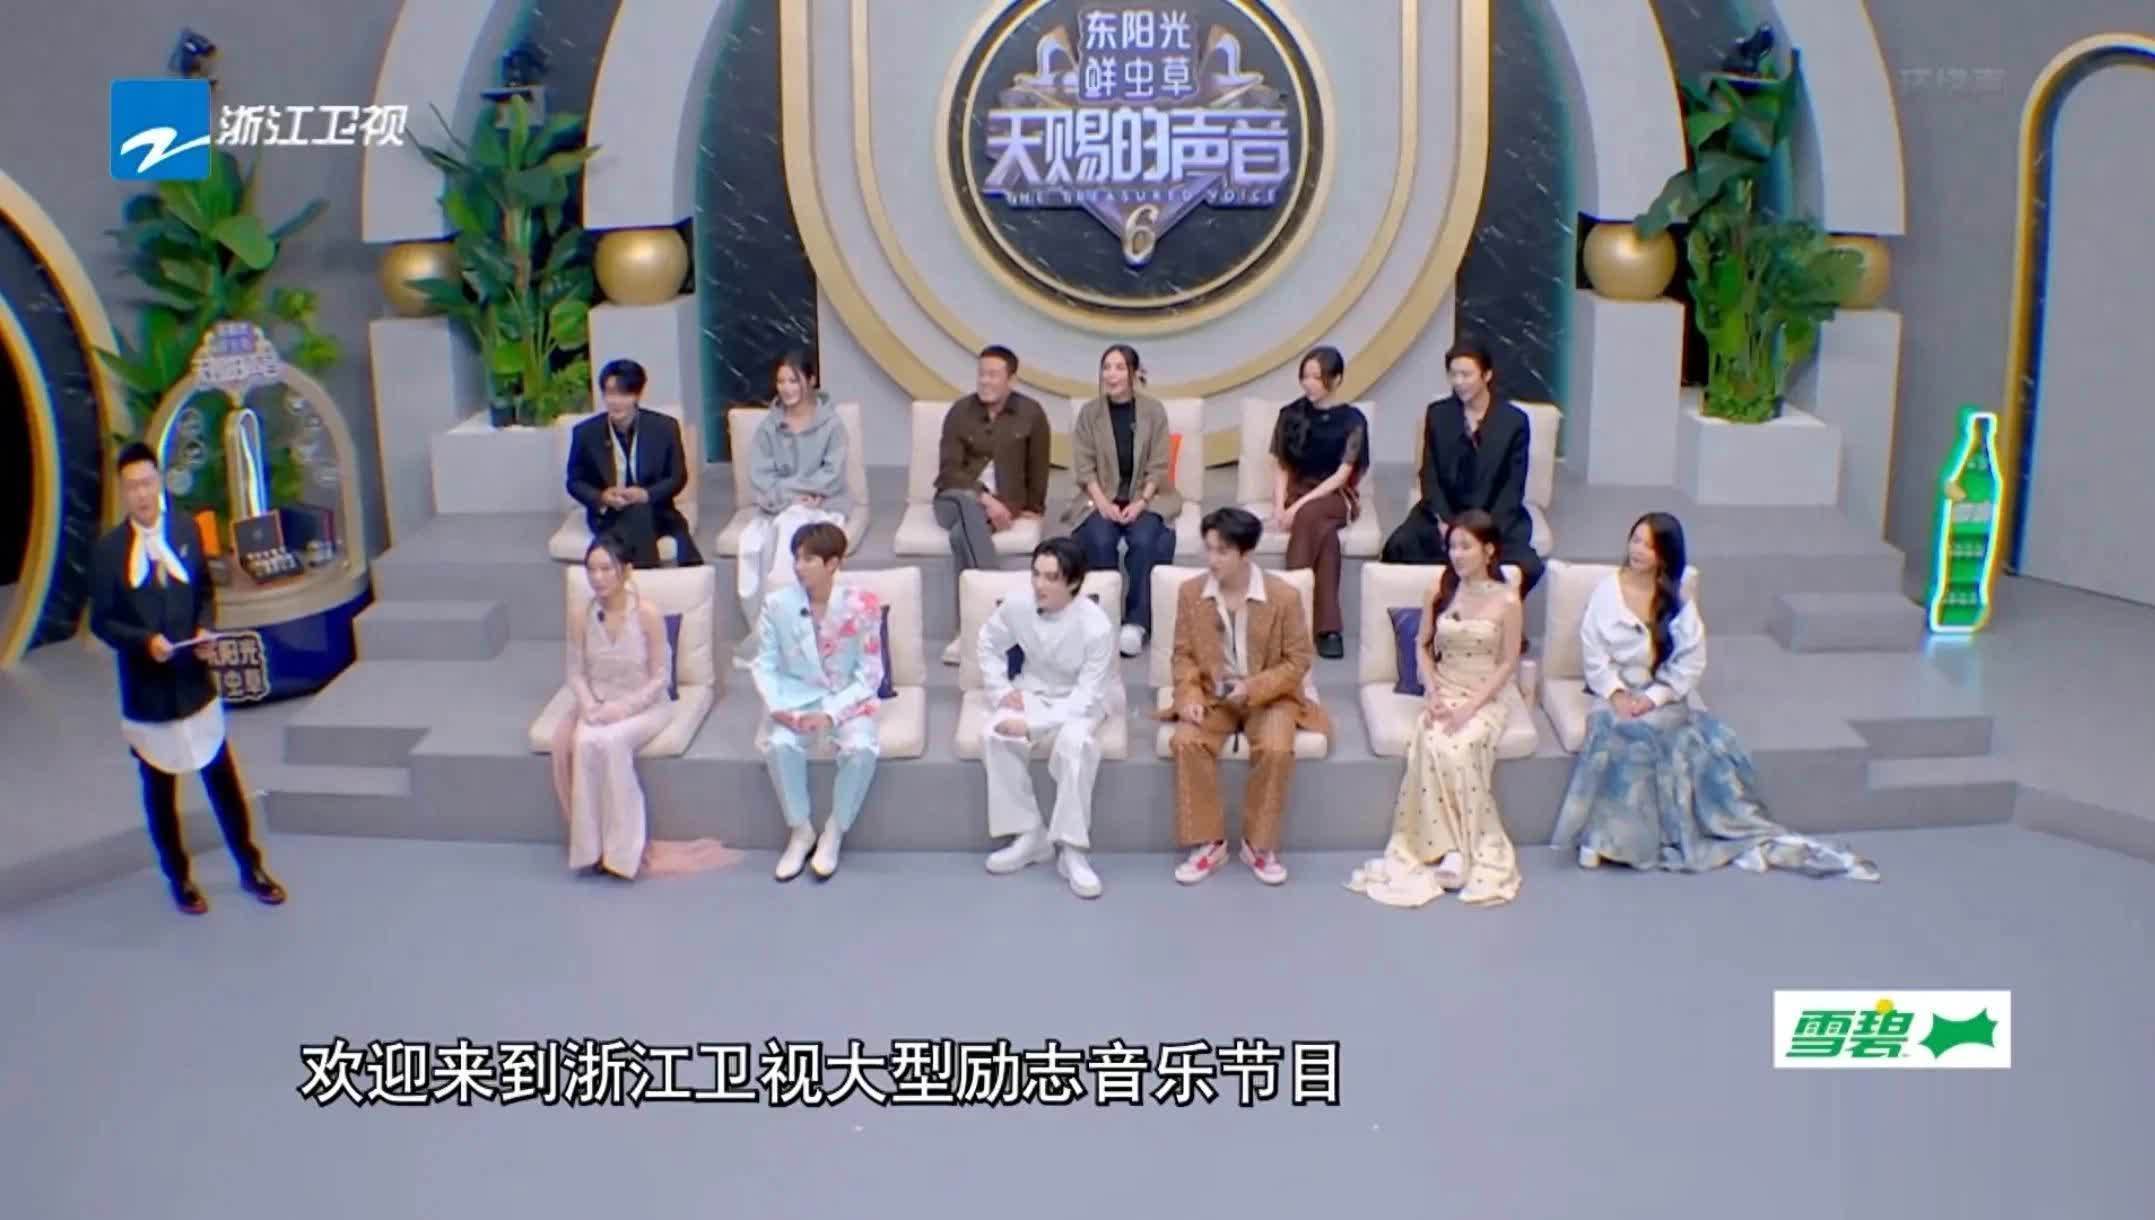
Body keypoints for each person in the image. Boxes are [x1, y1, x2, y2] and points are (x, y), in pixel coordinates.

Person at [1551, 513, 1881, 880]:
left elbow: (1690, 662)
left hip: (1661, 694)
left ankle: (1639, 839)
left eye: (1649, 545)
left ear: (1665, 555)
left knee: (1655, 731)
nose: (1638, 550)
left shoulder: (1678, 602)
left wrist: (1655, 697)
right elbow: (1593, 651)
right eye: (1635, 540)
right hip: (1614, 690)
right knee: (1617, 729)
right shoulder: (1607, 592)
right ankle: (1605, 838)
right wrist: (1615, 693)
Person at [91, 441, 286, 915]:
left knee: (223, 781)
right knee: (160, 793)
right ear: (123, 492)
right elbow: (102, 622)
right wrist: (144, 642)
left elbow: (204, 593)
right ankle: (178, 878)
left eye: (147, 483)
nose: (141, 494)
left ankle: (250, 866)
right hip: (149, 692)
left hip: (194, 683)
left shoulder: (184, 529)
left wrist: (204, 630)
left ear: (159, 482)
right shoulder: (109, 551)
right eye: (132, 487)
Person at [1347, 511, 1524, 908]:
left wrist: (1470, 708)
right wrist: (1432, 693)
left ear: (1488, 550)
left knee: (1461, 748)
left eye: (1466, 547)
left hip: (1484, 696)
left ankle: (1463, 847)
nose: (1456, 555)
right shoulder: (1439, 589)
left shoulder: (1508, 600)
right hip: (1444, 690)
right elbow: (1423, 646)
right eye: (1452, 547)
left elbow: (1507, 662)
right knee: (1431, 742)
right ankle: (1447, 848)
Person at [549, 535, 734, 880]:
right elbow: (575, 671)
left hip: (646, 706)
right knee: (584, 743)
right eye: (592, 570)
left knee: (612, 743)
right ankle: (591, 849)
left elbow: (660, 677)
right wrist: (589, 704)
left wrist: (622, 710)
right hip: (598, 703)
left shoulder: (646, 614)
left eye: (606, 569)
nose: (598, 577)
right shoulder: (581, 616)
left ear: (626, 571)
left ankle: (623, 854)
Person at [1164, 506, 1329, 887]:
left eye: (1222, 551)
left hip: (1270, 696)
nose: (1212, 559)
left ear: (1246, 553)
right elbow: (1183, 655)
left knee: (1275, 746)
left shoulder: (1283, 597)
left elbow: (1298, 661)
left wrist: (1252, 687)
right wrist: (1189, 694)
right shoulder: (1191, 593)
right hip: (1213, 695)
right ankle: (1210, 842)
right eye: (1209, 549)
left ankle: (1258, 844)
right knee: (1186, 740)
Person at [977, 537, 1118, 899]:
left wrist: (1032, 726)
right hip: (1034, 687)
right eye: (1036, 574)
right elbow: (988, 642)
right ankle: (1030, 834)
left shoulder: (1097, 626)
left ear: (1073, 582)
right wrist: (999, 689)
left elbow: (1086, 696)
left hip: (1083, 699)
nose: (1039, 585)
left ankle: (1072, 849)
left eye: (1051, 578)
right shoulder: (1018, 604)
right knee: (995, 734)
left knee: (1076, 745)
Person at [753, 521, 884, 882]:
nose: (798, 567)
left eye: (808, 559)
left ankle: (834, 831)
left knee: (861, 749)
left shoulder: (862, 605)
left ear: (832, 563)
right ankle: (800, 830)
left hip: (846, 699)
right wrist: (780, 708)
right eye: (796, 558)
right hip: (795, 699)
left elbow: (871, 672)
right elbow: (765, 664)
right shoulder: (777, 605)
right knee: (779, 745)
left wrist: (831, 713)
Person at [1380, 340, 1545, 598]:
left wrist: (1481, 532)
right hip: (1445, 514)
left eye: (1466, 375)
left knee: (1528, 566)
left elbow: (1512, 488)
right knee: (1398, 547)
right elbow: (1429, 476)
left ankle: (1489, 609)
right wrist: (1446, 522)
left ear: (1486, 375)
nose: (1459, 382)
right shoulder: (1438, 414)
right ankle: (1434, 607)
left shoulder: (1514, 421)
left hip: (1494, 518)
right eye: (1453, 375)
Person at [935, 344, 1051, 664]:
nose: (985, 381)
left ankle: (966, 631)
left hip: (1004, 504)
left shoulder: (1031, 413)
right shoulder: (960, 412)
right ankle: (1002, 610)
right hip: (952, 498)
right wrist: (984, 498)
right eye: (981, 374)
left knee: (961, 535)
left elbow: (1038, 466)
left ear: (1011, 380)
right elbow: (949, 471)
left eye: (993, 375)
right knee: (966, 505)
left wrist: (1033, 507)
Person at [1064, 343, 1181, 657]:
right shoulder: (1090, 413)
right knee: (1099, 539)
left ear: (1134, 373)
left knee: (1145, 540)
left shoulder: (1153, 411)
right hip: (1099, 497)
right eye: (1106, 367)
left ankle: (1136, 623)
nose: (1111, 375)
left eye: (1119, 368)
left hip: (1146, 497)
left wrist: (1141, 502)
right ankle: (1104, 617)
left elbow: (1159, 464)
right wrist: (1103, 504)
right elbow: (1084, 466)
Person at [734, 350, 850, 654]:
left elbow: (832, 475)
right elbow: (761, 477)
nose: (786, 388)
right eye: (781, 381)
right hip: (775, 506)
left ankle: (795, 628)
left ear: (810, 381)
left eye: (793, 380)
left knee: (792, 537)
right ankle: (766, 629)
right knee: (751, 547)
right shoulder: (768, 427)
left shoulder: (832, 425)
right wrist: (792, 495)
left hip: (822, 506)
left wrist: (801, 494)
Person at [1270, 346, 1368, 659]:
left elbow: (1342, 475)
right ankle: (1329, 630)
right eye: (1306, 376)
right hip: (1299, 491)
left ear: (1336, 379)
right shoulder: (1290, 414)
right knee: (1326, 538)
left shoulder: (1353, 420)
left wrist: (1297, 508)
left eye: (1317, 377)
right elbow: (1281, 465)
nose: (1309, 383)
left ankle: (1288, 619)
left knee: (1311, 515)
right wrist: (1279, 506)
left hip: (1336, 496)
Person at [566, 358, 703, 569]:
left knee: (641, 512)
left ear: (637, 395)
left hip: (657, 509)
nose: (616, 402)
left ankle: (640, 575)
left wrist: (646, 495)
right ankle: (648, 575)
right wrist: (602, 497)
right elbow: (574, 482)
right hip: (609, 515)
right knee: (637, 516)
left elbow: (677, 477)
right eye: (610, 394)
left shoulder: (665, 428)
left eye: (624, 394)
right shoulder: (586, 433)